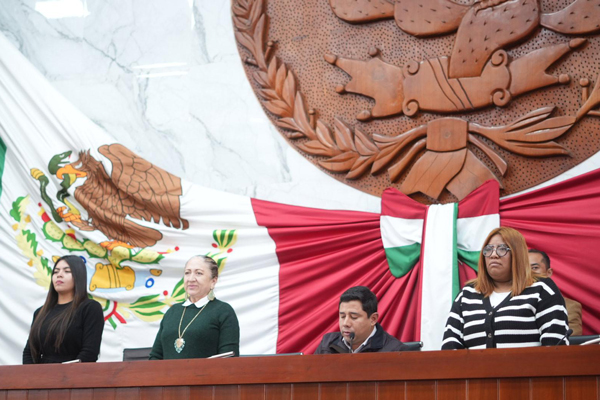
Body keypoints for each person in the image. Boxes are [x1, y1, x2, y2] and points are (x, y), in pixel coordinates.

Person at [442, 227, 569, 350]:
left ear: (517, 254)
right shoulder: (467, 295)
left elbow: (555, 348)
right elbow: (450, 347)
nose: (493, 255)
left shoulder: (541, 289)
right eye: (488, 249)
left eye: (502, 249)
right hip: (474, 372)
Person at [149, 255, 239, 359]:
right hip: (167, 375)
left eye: (199, 273)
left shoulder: (223, 311)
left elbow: (228, 359)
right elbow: (155, 357)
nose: (191, 279)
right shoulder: (172, 312)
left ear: (213, 281)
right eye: (187, 273)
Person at [23, 255, 104, 363]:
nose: (59, 275)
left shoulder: (90, 308)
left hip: (73, 376)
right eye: (56, 272)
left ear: (78, 276)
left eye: (67, 271)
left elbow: (89, 353)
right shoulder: (40, 312)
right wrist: (32, 377)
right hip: (41, 376)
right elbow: (30, 351)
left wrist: (65, 375)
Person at [314, 286, 406, 354]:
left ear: (373, 319)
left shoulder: (394, 350)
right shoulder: (327, 344)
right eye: (342, 316)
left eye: (354, 317)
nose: (346, 323)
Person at [529, 249, 583, 336]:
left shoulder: (570, 307)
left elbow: (572, 343)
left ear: (548, 273)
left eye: (534, 268)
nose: (528, 273)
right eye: (523, 269)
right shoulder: (506, 303)